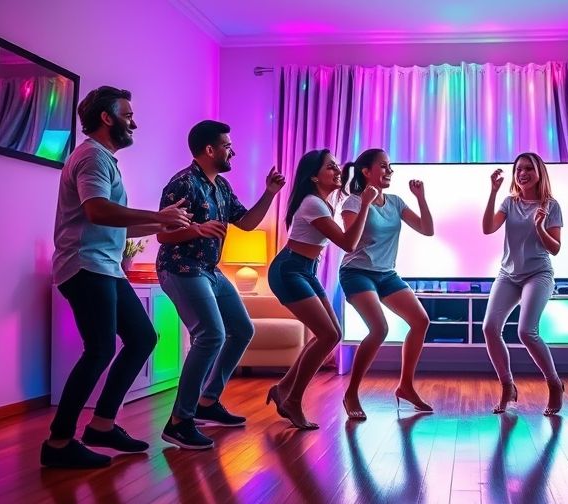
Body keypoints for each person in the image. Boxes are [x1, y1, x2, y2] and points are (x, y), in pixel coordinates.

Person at [45, 86, 192, 468]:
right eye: (127, 115)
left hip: (104, 266)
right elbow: (97, 211)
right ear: (107, 118)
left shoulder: (104, 159)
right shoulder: (92, 157)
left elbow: (114, 226)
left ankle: (103, 424)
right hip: (84, 266)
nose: (134, 122)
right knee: (99, 350)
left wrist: (164, 226)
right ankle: (59, 442)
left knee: (142, 337)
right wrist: (159, 217)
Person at [156, 120, 286, 449]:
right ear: (210, 150)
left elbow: (246, 222)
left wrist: (270, 193)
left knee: (242, 330)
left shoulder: (222, 187)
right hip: (181, 267)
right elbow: (162, 234)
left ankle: (207, 402)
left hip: (209, 270)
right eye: (228, 146)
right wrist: (197, 230)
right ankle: (179, 421)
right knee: (211, 334)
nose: (233, 151)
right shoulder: (182, 184)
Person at [266, 149, 377, 429]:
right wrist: (364, 205)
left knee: (333, 334)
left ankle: (282, 389)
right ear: (314, 175)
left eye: (338, 166)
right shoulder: (312, 203)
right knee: (328, 335)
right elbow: (348, 244)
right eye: (330, 167)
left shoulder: (323, 203)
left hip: (306, 270)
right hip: (289, 270)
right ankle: (291, 400)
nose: (337, 171)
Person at [338, 149, 435, 420]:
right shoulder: (353, 202)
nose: (389, 170)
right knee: (379, 328)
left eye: (390, 166)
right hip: (357, 272)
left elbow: (427, 230)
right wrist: (366, 204)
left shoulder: (395, 202)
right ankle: (351, 393)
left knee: (420, 320)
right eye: (383, 166)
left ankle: (405, 386)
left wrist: (421, 198)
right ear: (366, 172)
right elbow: (350, 242)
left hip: (386, 273)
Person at [481, 152, 565, 416]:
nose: (522, 173)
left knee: (526, 332)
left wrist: (539, 226)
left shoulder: (551, 205)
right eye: (518, 169)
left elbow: (555, 249)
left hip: (538, 274)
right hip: (508, 274)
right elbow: (487, 229)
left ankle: (554, 383)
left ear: (539, 172)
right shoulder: (509, 202)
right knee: (489, 328)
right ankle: (507, 385)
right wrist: (493, 191)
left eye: (528, 168)